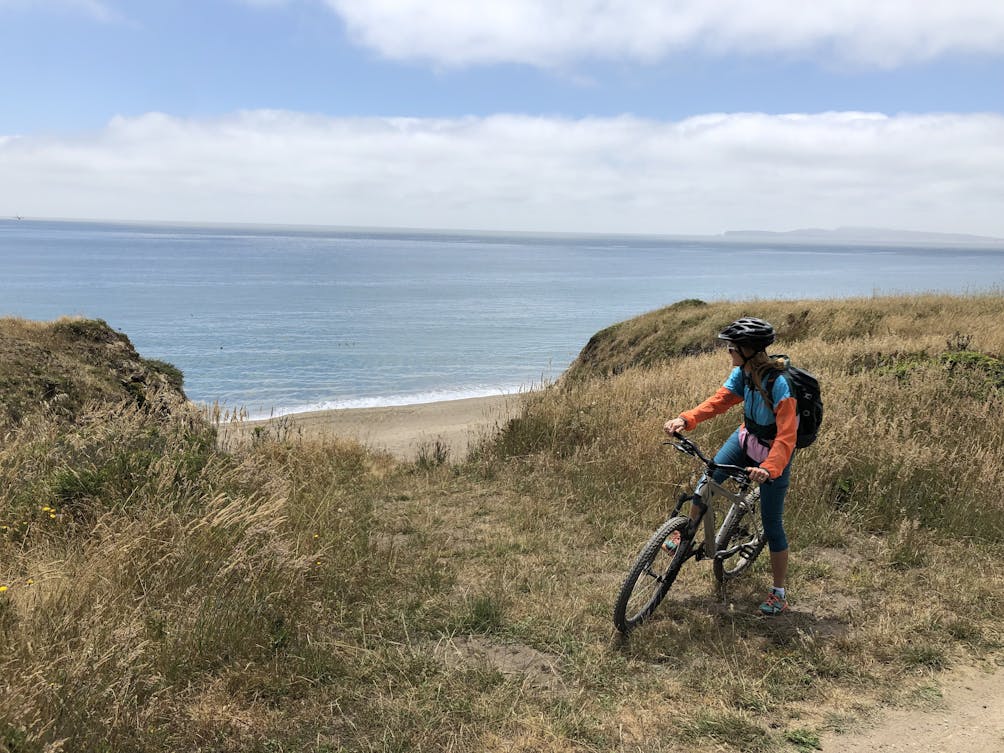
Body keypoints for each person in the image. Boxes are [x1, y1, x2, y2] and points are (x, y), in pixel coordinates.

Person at [663, 317, 797, 616]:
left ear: (749, 349)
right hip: (745, 438)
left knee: (773, 525)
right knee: (706, 480)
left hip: (773, 453)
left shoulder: (780, 385)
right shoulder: (743, 374)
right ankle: (686, 536)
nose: (728, 351)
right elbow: (720, 401)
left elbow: (787, 436)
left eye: (732, 347)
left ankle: (779, 592)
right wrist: (686, 419)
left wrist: (770, 468)